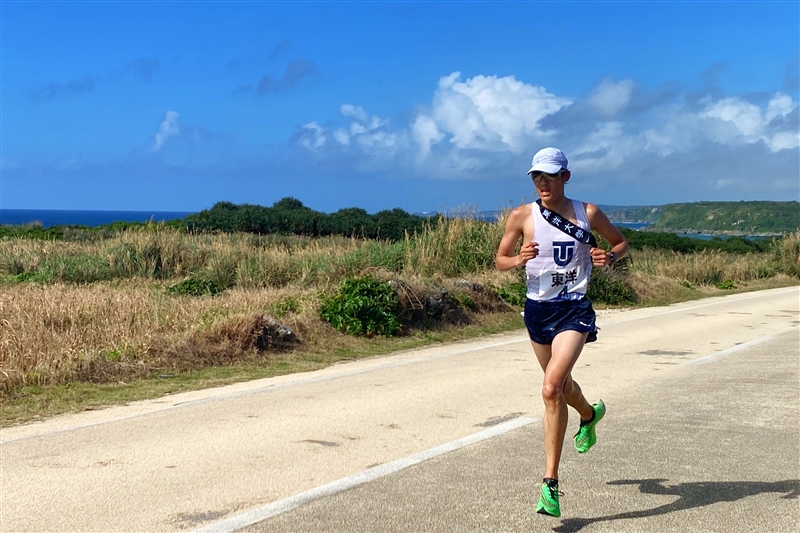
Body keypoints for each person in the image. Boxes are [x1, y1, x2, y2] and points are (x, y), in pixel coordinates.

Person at [495, 147, 628, 518]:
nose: (542, 182)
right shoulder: (522, 216)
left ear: (565, 177)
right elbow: (500, 259)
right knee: (563, 387)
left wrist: (610, 257)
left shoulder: (588, 213)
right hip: (538, 310)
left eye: (550, 176)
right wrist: (517, 259)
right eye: (537, 176)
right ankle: (589, 414)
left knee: (551, 388)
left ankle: (549, 485)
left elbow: (620, 242)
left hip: (574, 309)